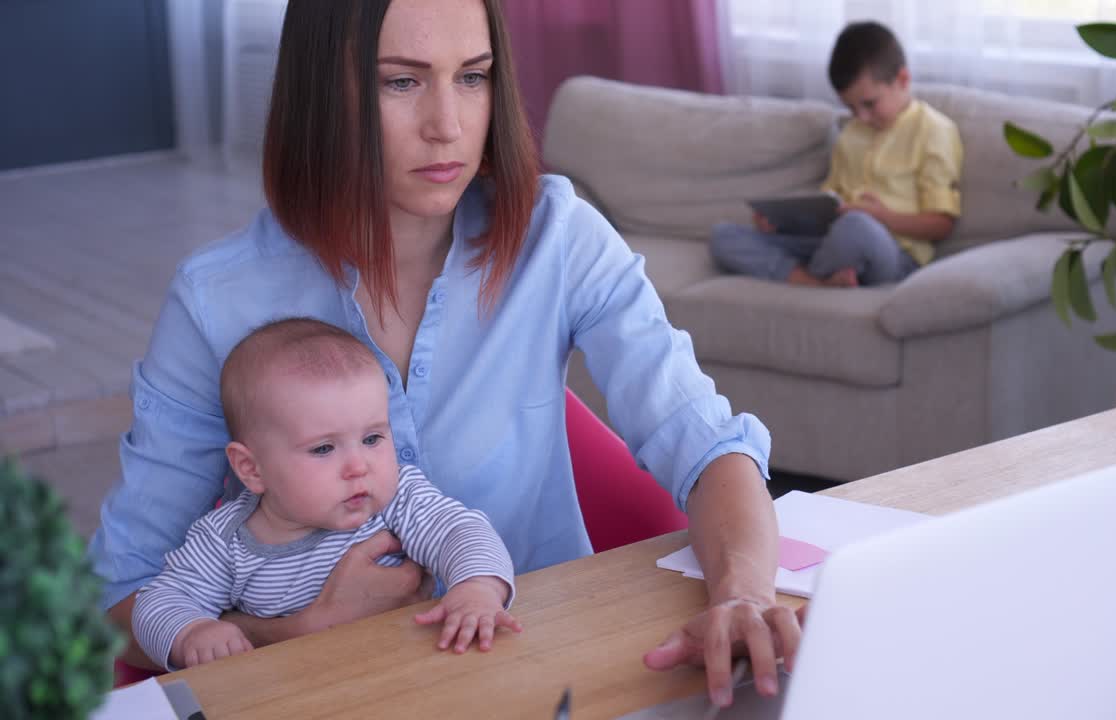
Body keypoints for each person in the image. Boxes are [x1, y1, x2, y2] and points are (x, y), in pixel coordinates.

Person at [88, 0, 798, 708]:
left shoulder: (558, 238)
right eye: (402, 81)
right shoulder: (219, 300)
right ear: (322, 94)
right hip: (330, 696)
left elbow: (705, 445)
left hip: (559, 669)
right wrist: (301, 629)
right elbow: (121, 593)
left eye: (473, 77)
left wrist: (744, 594)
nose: (448, 127)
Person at [132, 319, 519, 670]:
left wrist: (477, 588)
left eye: (372, 439)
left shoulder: (397, 499)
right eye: (323, 449)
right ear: (252, 469)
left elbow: (461, 532)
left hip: (412, 680)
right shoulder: (225, 542)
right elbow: (158, 601)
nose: (358, 467)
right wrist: (192, 633)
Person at [709, 21, 964, 288]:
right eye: (852, 108)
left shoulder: (935, 130)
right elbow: (831, 206)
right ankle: (818, 281)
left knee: (856, 226)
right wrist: (784, 224)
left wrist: (881, 216)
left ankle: (808, 273)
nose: (861, 117)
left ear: (902, 80)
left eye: (869, 104)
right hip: (832, 241)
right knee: (723, 236)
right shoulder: (851, 134)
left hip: (892, 252)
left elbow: (942, 224)